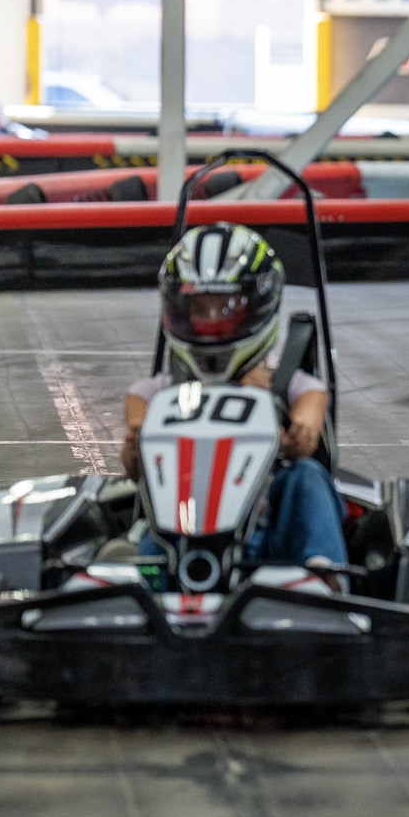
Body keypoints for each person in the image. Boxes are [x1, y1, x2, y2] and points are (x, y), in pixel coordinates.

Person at [119, 223, 346, 570]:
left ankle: (324, 574)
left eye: (226, 307)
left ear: (256, 307)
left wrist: (295, 433)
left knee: (306, 474)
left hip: (269, 534)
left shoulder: (292, 385)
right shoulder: (153, 393)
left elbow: (309, 422)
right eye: (201, 308)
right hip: (179, 528)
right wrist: (137, 446)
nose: (213, 320)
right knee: (143, 525)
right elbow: (135, 464)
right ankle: (140, 576)